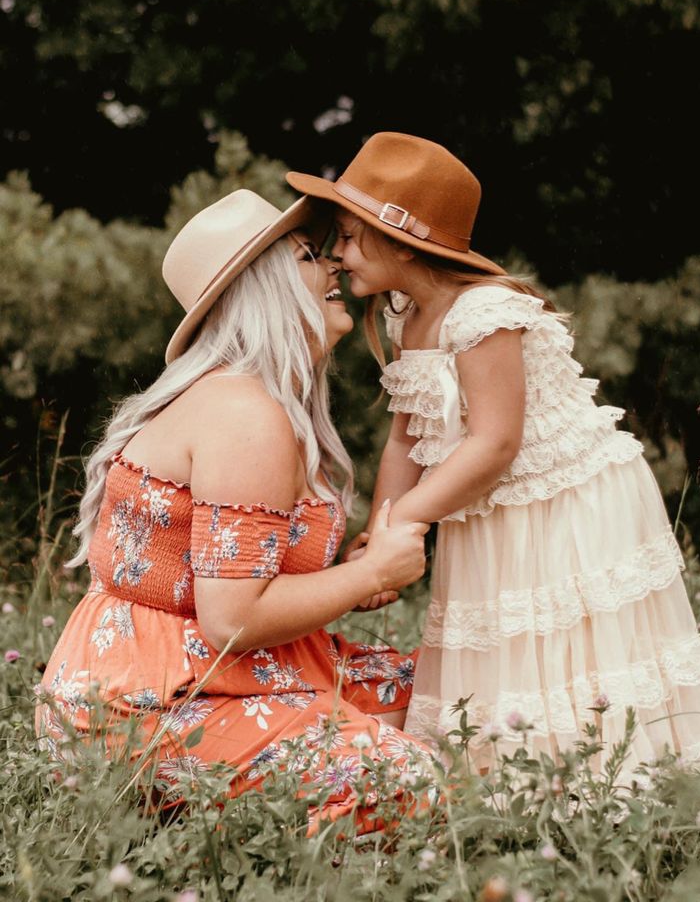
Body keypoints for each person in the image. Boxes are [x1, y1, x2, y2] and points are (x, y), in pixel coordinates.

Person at [286, 131, 700, 778]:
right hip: (484, 504)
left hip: (563, 498)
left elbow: (496, 443)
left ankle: (610, 780)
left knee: (569, 648)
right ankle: (511, 778)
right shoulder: (403, 314)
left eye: (350, 237)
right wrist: (379, 532)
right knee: (503, 642)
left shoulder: (484, 314)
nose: (338, 255)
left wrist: (410, 519)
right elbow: (405, 438)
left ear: (401, 238)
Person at [36, 188, 434, 834]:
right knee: (414, 783)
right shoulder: (245, 414)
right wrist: (370, 576)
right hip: (150, 706)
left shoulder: (253, 402)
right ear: (264, 287)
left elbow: (224, 586)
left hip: (200, 670)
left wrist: (344, 584)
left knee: (449, 691)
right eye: (309, 255)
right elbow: (232, 619)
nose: (335, 265)